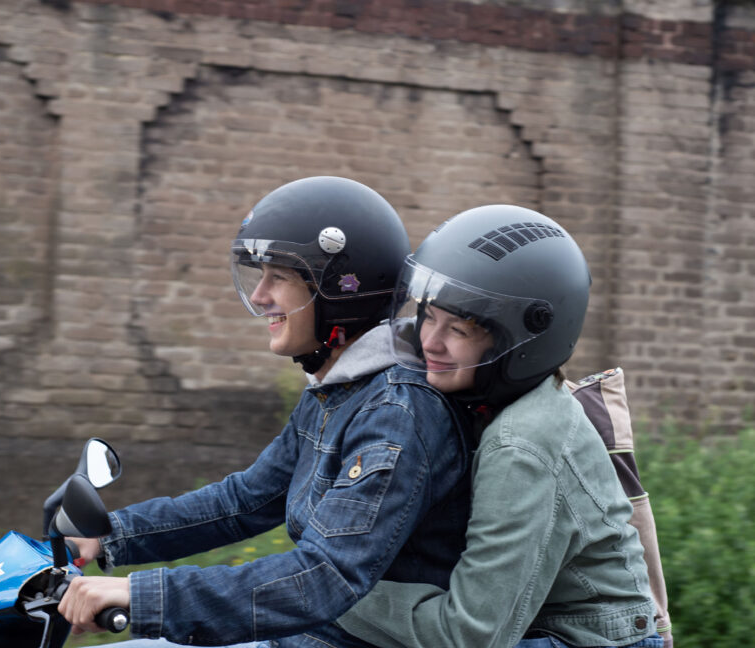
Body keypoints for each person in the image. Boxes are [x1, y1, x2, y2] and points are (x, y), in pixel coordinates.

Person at [57, 177, 474, 648]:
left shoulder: (398, 412)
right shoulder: (341, 388)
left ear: (337, 290)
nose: (258, 296)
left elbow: (326, 574)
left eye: (279, 278)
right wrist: (107, 536)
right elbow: (246, 500)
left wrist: (140, 595)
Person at [335, 204, 662, 648]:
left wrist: (325, 593)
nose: (429, 341)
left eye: (460, 330)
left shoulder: (521, 444)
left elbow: (468, 636)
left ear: (522, 344)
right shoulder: (488, 398)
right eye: (429, 316)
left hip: (579, 639)